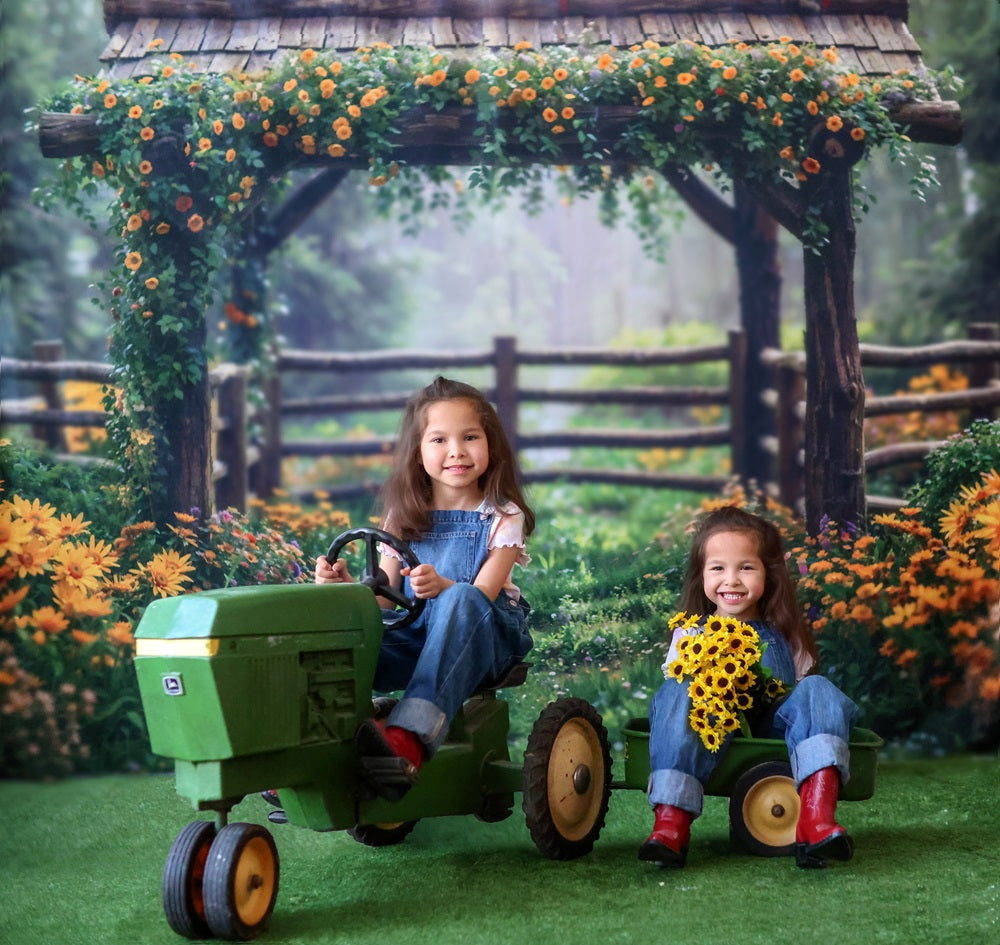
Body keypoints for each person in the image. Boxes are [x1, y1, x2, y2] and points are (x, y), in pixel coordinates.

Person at [315, 376, 535, 802]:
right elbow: (382, 597)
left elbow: (483, 596)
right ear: (418, 452)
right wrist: (345, 586)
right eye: (439, 439)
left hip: (485, 638)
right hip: (417, 635)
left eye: (470, 436)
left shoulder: (503, 516)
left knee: (460, 597)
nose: (456, 450)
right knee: (350, 629)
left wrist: (443, 586)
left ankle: (410, 738)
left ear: (491, 445)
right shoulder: (404, 513)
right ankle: (320, 748)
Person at [640, 505, 859, 870]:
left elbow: (800, 697)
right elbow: (678, 706)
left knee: (819, 689)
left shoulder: (784, 633)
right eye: (718, 568)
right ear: (702, 575)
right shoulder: (691, 633)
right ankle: (671, 824)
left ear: (768, 575)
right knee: (678, 691)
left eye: (746, 567)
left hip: (772, 731)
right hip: (712, 730)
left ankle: (816, 818)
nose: (732, 580)